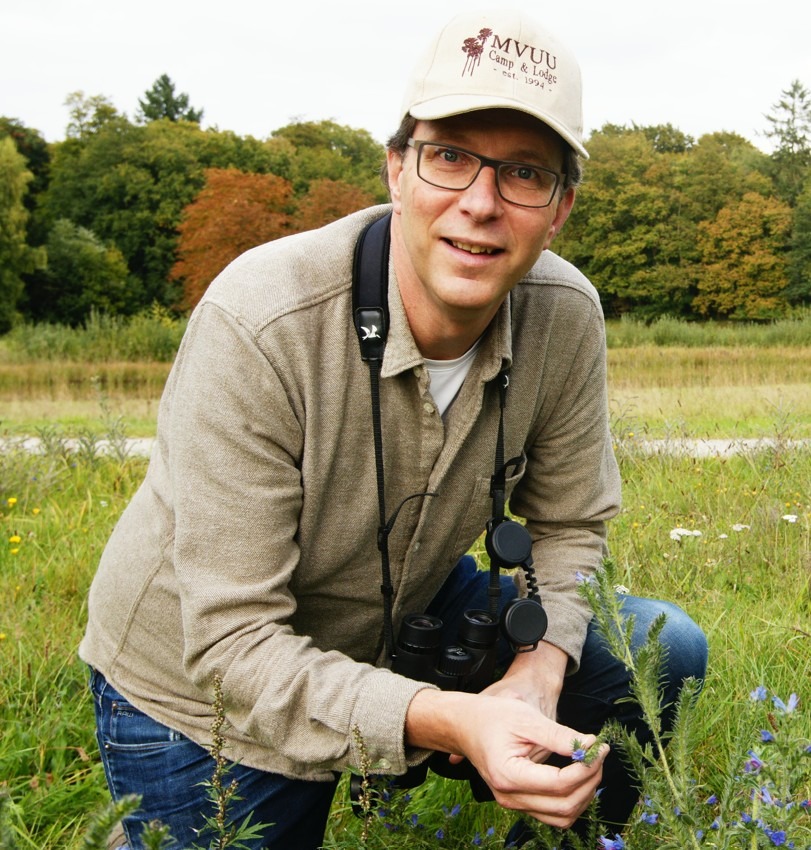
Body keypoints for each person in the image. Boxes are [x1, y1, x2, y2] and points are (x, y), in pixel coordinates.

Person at [80, 10, 708, 849]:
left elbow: (568, 525)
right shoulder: (260, 320)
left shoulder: (565, 316)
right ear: (396, 170)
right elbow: (232, 642)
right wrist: (446, 718)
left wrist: (537, 669)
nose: (479, 204)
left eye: (524, 173)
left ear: (559, 209)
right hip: (206, 689)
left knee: (663, 649)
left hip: (405, 611)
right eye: (448, 156)